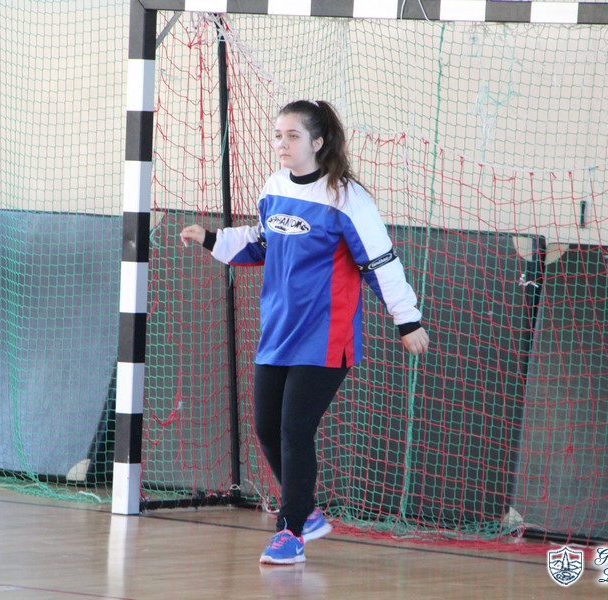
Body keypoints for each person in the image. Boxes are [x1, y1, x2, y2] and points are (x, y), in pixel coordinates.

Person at [180, 100, 429, 565]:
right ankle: (307, 513)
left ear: (318, 142)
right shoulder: (274, 188)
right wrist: (213, 239)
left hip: (326, 336)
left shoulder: (347, 198)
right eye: (278, 135)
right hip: (278, 331)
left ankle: (290, 532)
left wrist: (407, 319)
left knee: (295, 429)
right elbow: (261, 243)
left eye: (292, 136)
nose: (282, 143)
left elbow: (379, 261)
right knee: (266, 428)